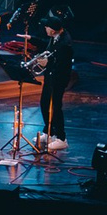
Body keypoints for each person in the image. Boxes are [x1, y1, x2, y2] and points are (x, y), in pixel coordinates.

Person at [33, 12, 75, 149]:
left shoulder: (65, 43)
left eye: (46, 28)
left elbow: (61, 63)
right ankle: (49, 132)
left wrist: (47, 63)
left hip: (58, 78)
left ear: (52, 29)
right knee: (45, 103)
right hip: (50, 76)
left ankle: (62, 138)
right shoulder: (55, 37)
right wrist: (32, 39)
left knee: (56, 107)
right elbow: (48, 47)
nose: (45, 29)